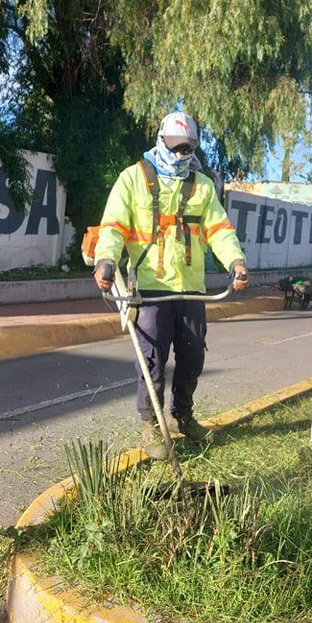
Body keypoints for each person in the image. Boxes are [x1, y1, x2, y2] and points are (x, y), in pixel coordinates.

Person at [92, 111, 249, 459]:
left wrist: (235, 262)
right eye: (176, 147)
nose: (181, 154)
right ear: (161, 141)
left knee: (192, 358)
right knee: (151, 361)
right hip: (149, 289)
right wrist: (106, 260)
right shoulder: (132, 179)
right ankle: (151, 424)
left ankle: (183, 416)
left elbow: (220, 232)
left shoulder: (202, 186)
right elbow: (114, 227)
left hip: (190, 289)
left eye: (188, 148)